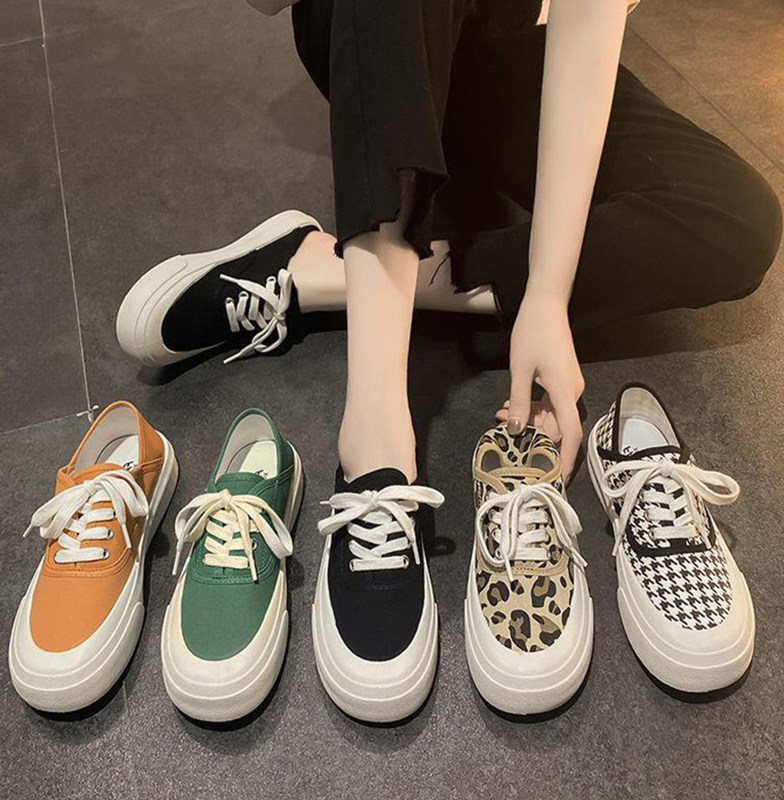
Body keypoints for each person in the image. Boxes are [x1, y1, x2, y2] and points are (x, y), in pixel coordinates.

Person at [115, 0, 781, 721]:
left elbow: (589, 21)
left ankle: (317, 273)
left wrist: (548, 295)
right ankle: (374, 445)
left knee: (738, 220)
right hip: (378, 41)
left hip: (517, 53)